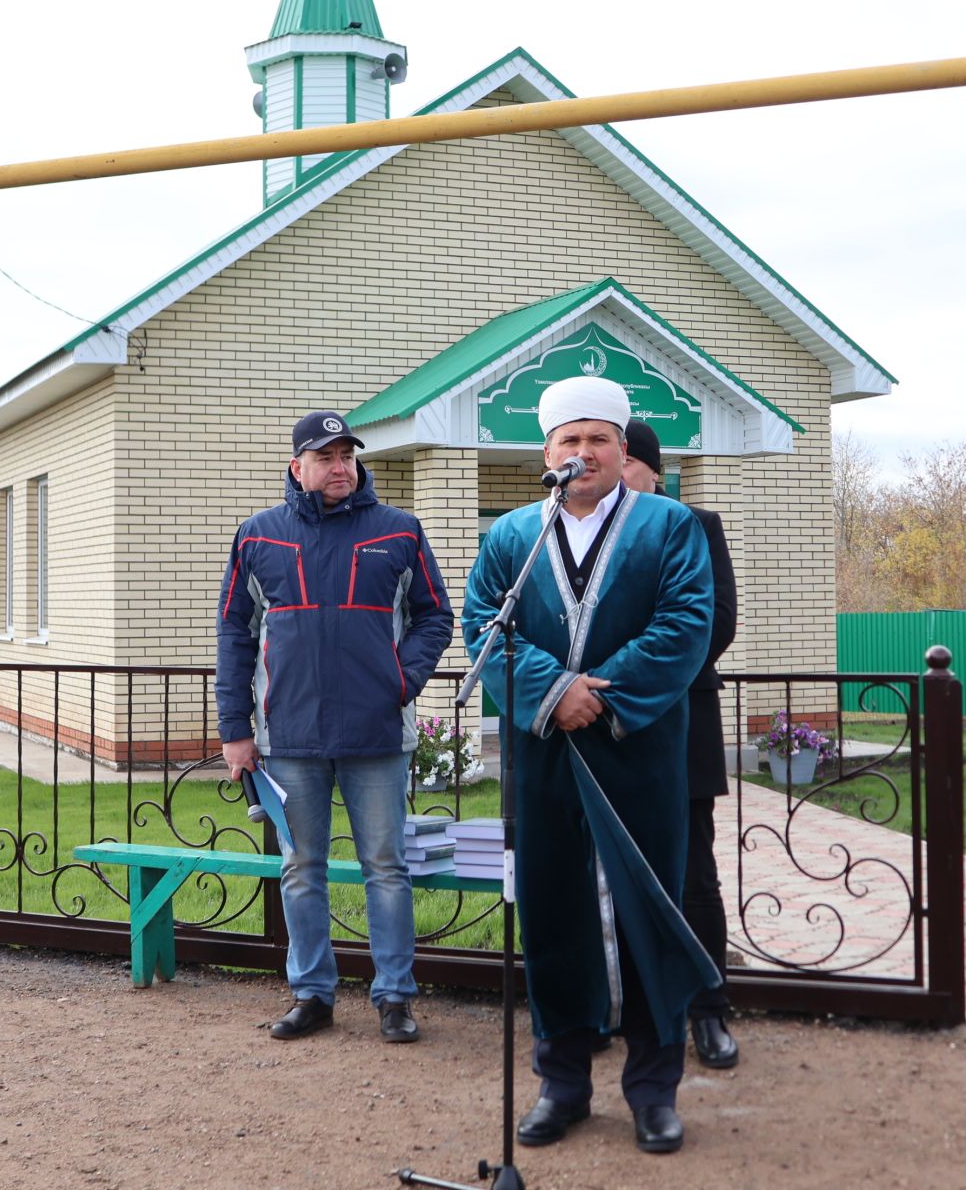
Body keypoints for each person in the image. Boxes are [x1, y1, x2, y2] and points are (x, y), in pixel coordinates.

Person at [462, 376, 717, 1156]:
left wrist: (600, 699)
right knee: (552, 912)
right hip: (543, 759)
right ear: (546, 453)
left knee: (649, 906)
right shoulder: (513, 536)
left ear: (621, 446)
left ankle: (652, 1088)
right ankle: (563, 1082)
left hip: (637, 752)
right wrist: (550, 690)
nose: (583, 453)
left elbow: (687, 622)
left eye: (598, 440)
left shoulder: (671, 527)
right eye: (568, 441)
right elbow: (482, 623)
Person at [216, 409, 454, 1043]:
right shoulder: (258, 535)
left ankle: (396, 997)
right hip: (289, 737)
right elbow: (235, 636)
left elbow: (436, 617)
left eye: (347, 455)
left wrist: (401, 682)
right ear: (298, 466)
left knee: (386, 866)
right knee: (302, 869)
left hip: (377, 735)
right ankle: (312, 994)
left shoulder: (399, 531)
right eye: (325, 456)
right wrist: (235, 730)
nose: (340, 466)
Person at [620, 419, 740, 1069]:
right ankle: (621, 1005)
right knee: (608, 873)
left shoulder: (695, 525)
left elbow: (713, 625)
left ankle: (708, 1009)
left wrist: (627, 681)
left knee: (693, 873)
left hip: (681, 722)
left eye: (624, 461)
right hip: (600, 731)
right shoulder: (579, 531)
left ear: (650, 469)